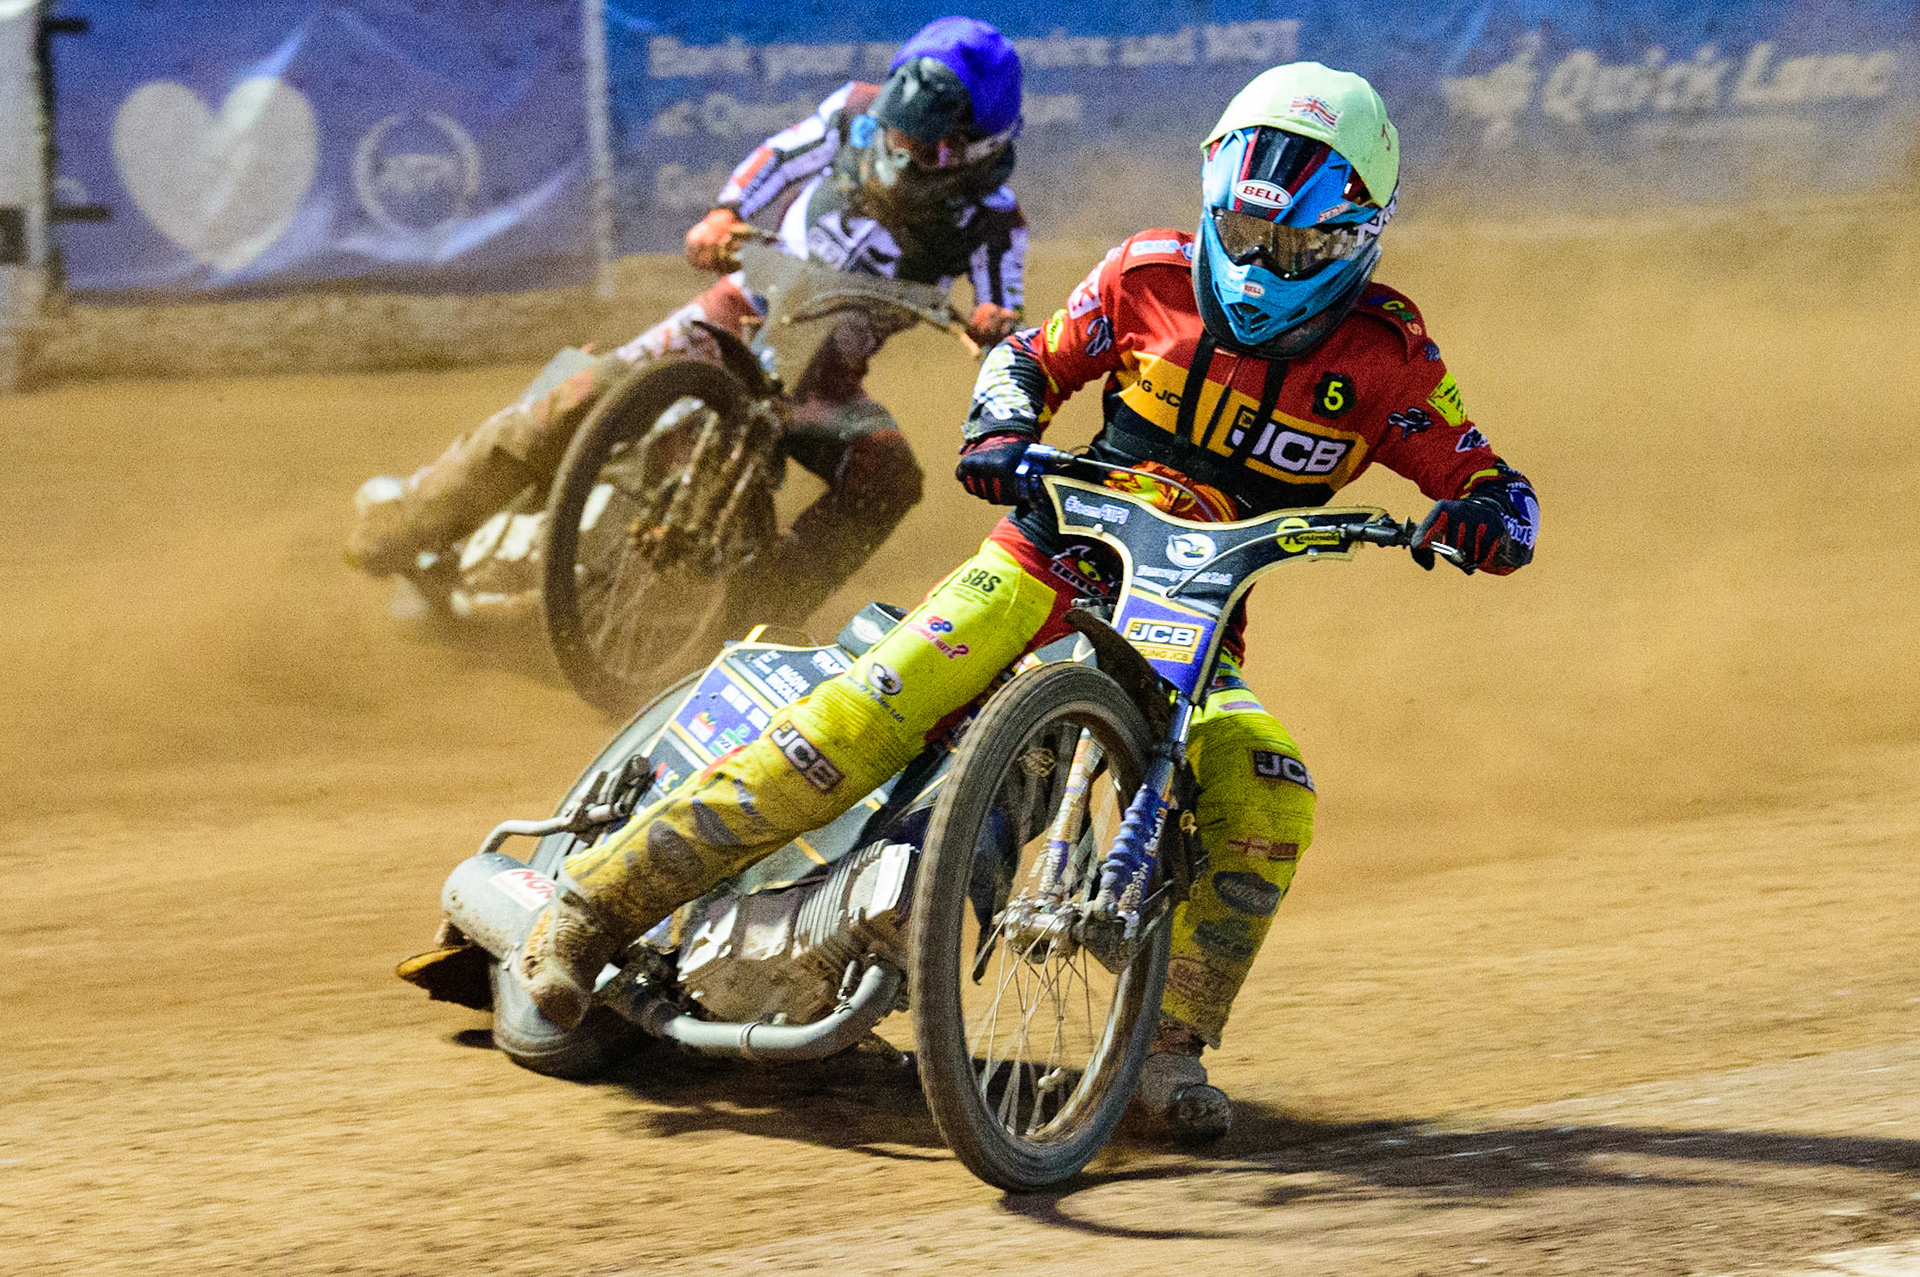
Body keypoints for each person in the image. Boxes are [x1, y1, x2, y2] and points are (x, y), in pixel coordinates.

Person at [512, 62, 1540, 1139]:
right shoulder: (1147, 273)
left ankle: (1168, 1048)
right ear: (1212, 203)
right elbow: (1029, 357)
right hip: (1046, 558)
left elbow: (1486, 476)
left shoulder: (1388, 355)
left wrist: (1490, 516)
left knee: (1272, 794)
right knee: (860, 718)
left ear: (1358, 238)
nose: (1261, 263)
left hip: (1190, 631)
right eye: (1244, 232)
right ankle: (588, 908)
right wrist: (1001, 427)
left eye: (1295, 247)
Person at [345, 17, 1028, 630]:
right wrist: (726, 212)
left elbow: (1002, 309)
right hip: (731, 315)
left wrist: (997, 326)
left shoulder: (997, 221)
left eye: (923, 142)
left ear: (975, 146)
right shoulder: (852, 111)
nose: (900, 150)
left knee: (888, 476)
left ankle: (758, 615)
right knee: (583, 393)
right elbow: (781, 157)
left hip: (824, 381)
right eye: (895, 128)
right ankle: (410, 518)